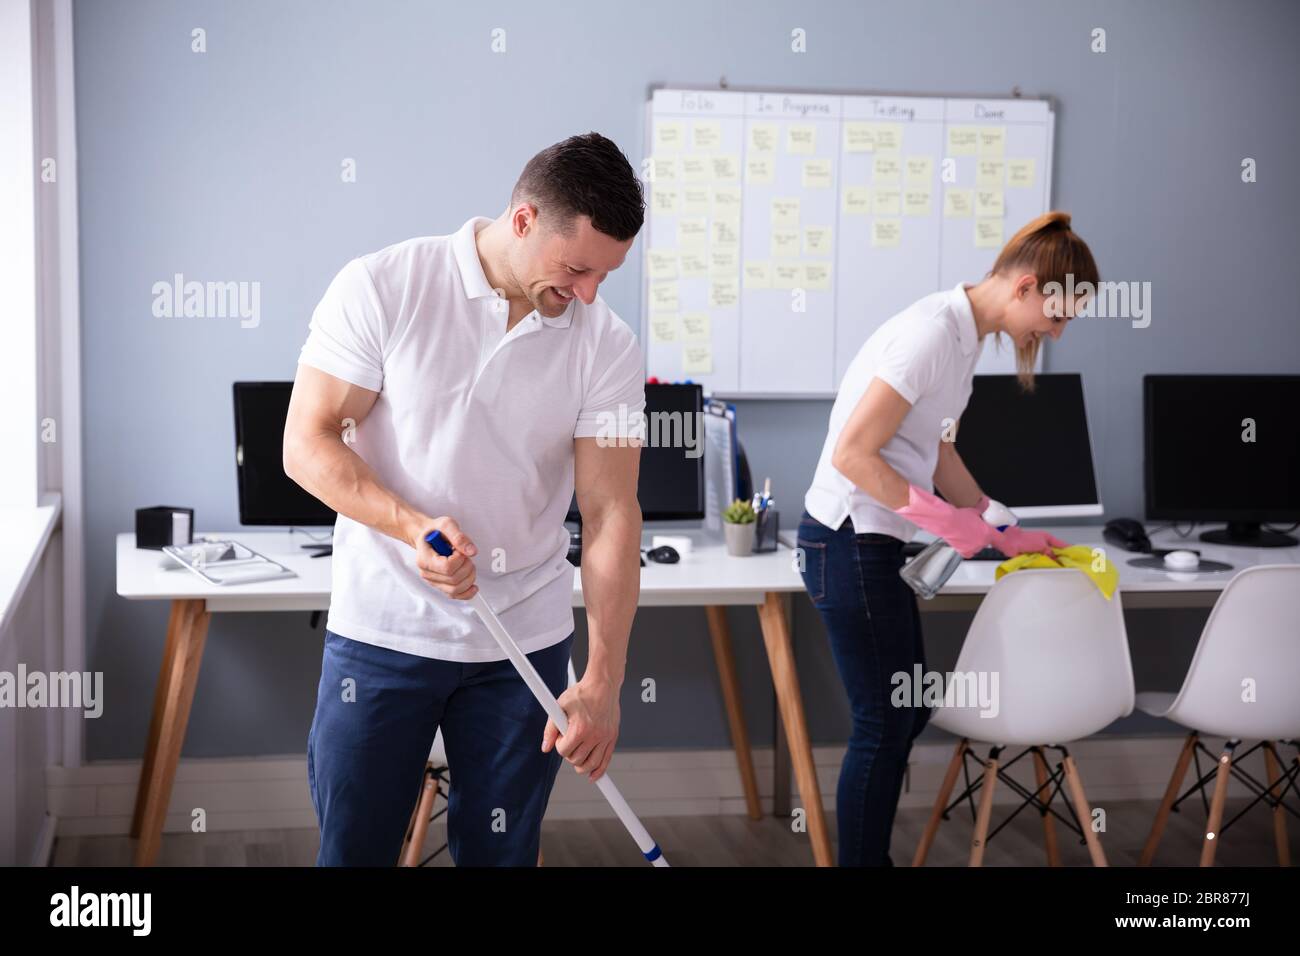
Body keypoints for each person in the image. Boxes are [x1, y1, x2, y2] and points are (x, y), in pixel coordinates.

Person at [284, 132, 646, 866]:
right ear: (522, 219)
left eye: (605, 276)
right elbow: (307, 443)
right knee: (354, 851)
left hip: (525, 647)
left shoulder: (604, 344)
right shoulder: (386, 285)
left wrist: (604, 679)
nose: (587, 294)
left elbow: (611, 513)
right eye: (576, 269)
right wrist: (411, 527)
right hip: (383, 635)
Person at [798, 211, 1099, 866]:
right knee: (882, 724)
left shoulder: (965, 342)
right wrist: (948, 524)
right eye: (1057, 315)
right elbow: (854, 455)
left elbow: (936, 457)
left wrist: (1003, 529)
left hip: (874, 545)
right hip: (846, 541)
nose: (1056, 331)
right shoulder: (930, 335)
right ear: (1024, 287)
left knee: (903, 715)